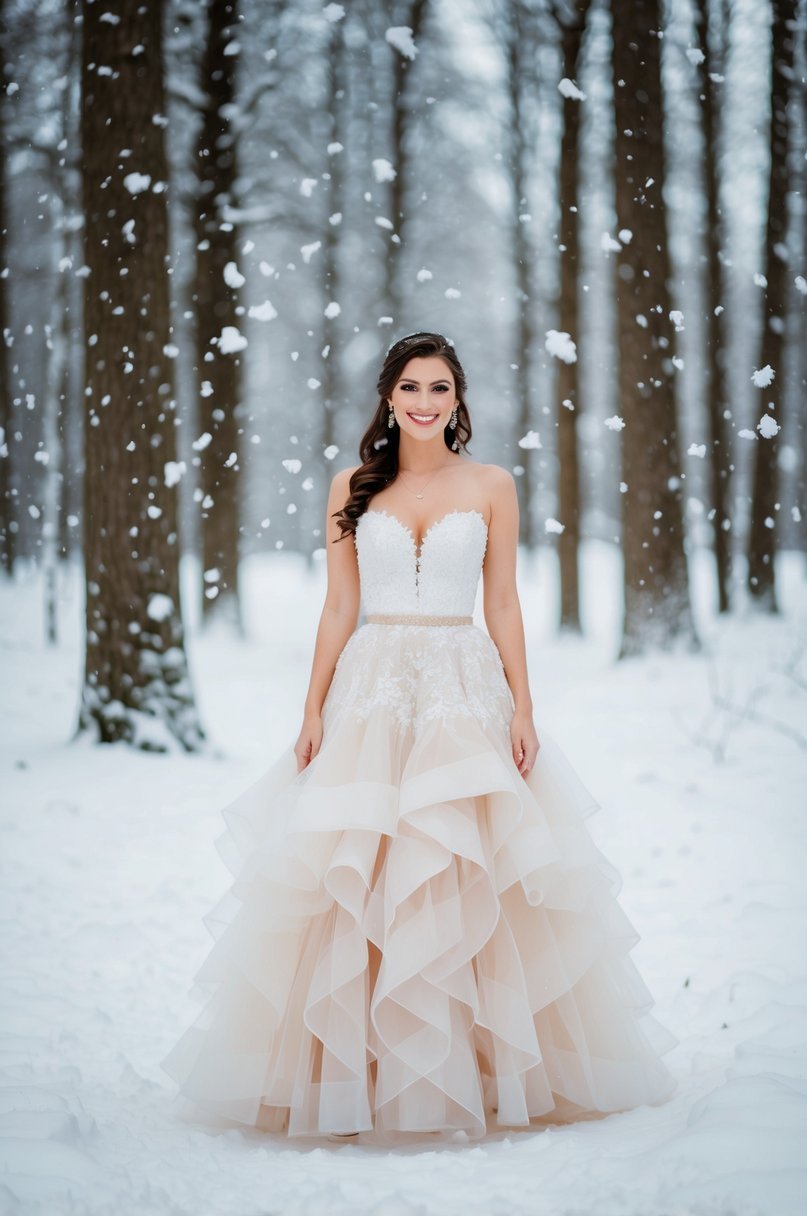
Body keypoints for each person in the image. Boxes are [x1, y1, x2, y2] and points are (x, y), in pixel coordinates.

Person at [161, 331, 679, 1146]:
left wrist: (522, 708)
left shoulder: (491, 484)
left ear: (457, 397)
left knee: (462, 864)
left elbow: (501, 602)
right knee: (359, 868)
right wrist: (311, 709)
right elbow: (339, 604)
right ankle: (357, 1073)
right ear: (388, 397)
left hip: (459, 686)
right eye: (410, 387)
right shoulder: (352, 485)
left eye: (439, 388)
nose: (425, 402)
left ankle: (476, 1067)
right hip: (372, 688)